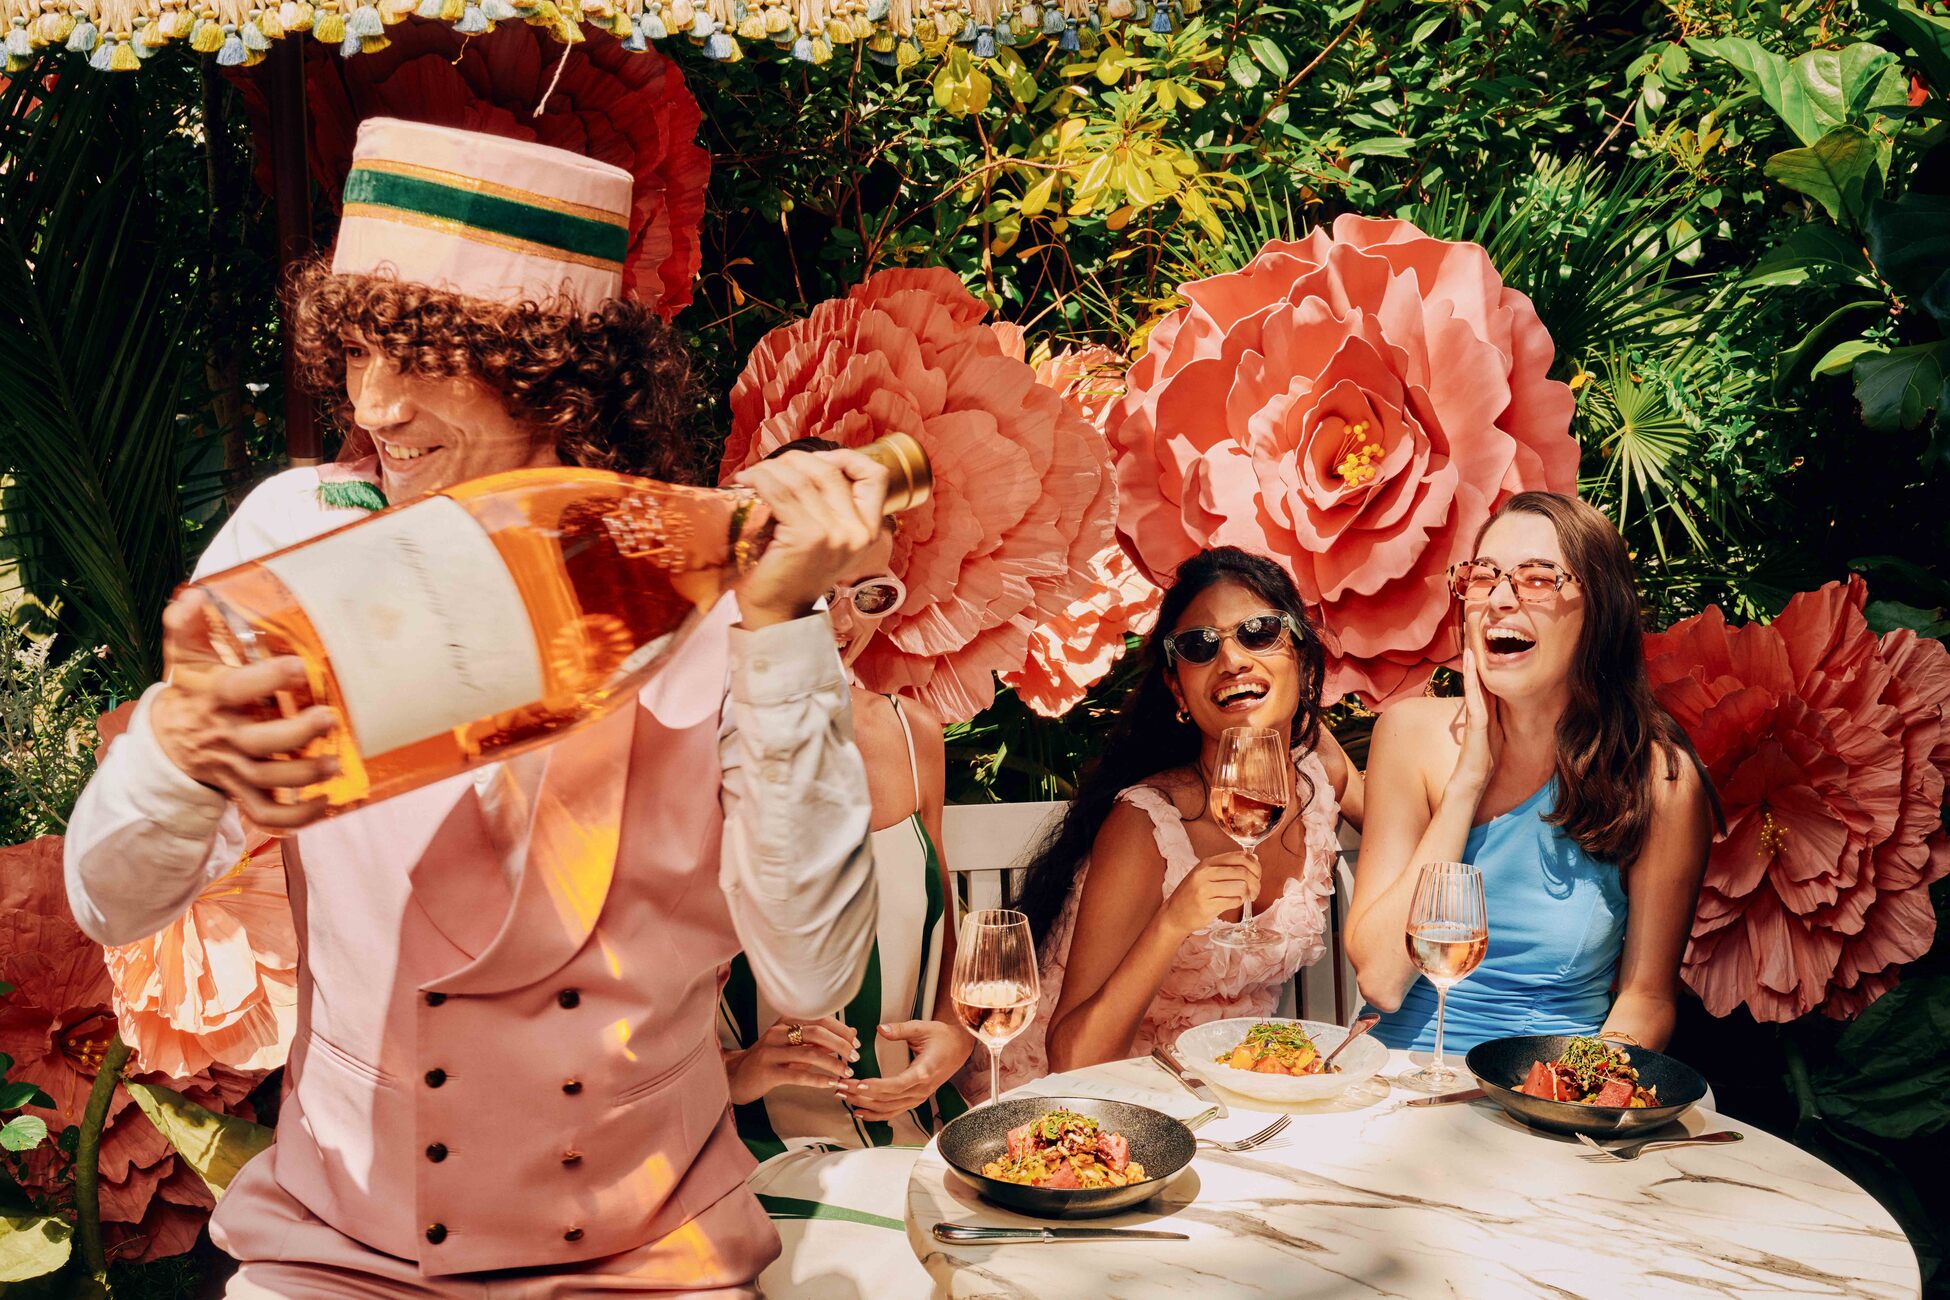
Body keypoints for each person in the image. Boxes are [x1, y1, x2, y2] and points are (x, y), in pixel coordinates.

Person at [63, 119, 888, 1298]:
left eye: (425, 354)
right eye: (356, 349)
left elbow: (812, 973)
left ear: (553, 369)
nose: (377, 402)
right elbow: (109, 897)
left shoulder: (722, 605)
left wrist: (789, 629)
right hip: (336, 1253)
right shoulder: (304, 548)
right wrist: (179, 754)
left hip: (651, 1258)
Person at [1347, 491, 1716, 1055]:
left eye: (1538, 578)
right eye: (1483, 576)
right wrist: (1468, 782)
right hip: (1393, 1085)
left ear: (1600, 611)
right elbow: (1380, 979)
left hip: (1543, 1095)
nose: (1498, 598)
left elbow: (1646, 998)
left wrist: (1579, 1093)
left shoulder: (1657, 781)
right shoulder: (1408, 735)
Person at [996, 546, 1363, 1095]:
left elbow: (1420, 834)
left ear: (1303, 660)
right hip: (1109, 1099)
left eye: (1260, 631)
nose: (1233, 660)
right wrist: (1172, 923)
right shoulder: (1146, 825)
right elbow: (1073, 1059)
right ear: (1178, 691)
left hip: (1241, 1091)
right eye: (1199, 646)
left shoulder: (1320, 775)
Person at [719, 438, 970, 1152]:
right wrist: (738, 1072)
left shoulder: (913, 733)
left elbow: (946, 928)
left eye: (870, 594)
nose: (845, 621)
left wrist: (951, 1036)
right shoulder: (701, 746)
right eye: (821, 591)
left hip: (922, 1131)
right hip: (757, 1153)